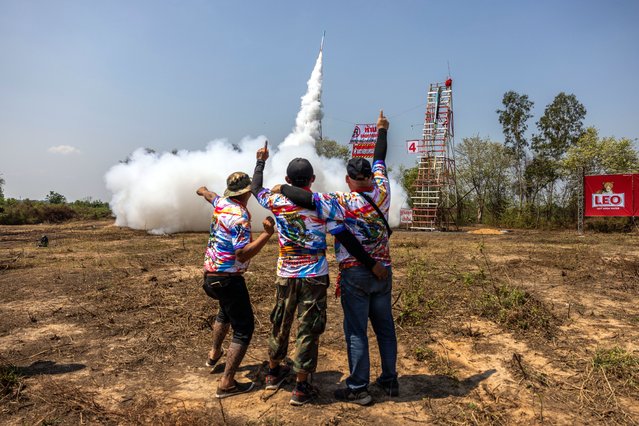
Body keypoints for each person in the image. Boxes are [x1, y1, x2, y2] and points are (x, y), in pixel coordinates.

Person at [277, 110, 398, 405]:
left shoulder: (341, 201)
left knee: (356, 333)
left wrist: (283, 187)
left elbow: (306, 198)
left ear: (348, 179)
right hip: (384, 271)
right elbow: (380, 157)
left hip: (356, 275)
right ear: (370, 176)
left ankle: (358, 388)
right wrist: (382, 130)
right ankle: (390, 380)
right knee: (385, 329)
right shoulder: (382, 191)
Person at [250, 147, 387, 406]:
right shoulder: (323, 205)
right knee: (309, 328)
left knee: (280, 321)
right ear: (312, 180)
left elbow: (256, 187)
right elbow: (344, 236)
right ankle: (301, 386)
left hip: (286, 274)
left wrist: (260, 162)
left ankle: (273, 372)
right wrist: (371, 264)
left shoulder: (276, 201)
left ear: (288, 181)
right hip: (314, 275)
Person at [196, 171, 275, 399]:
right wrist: (267, 235)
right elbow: (241, 254)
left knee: (225, 312)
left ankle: (214, 354)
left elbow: (208, 194)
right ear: (247, 191)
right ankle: (227, 382)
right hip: (228, 278)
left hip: (211, 276)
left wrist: (201, 189)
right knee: (244, 329)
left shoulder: (221, 202)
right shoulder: (240, 217)